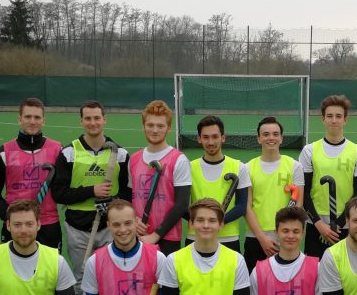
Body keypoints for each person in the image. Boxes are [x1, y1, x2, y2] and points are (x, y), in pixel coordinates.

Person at [51, 100, 130, 295]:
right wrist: (92, 191)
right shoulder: (69, 153)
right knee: (81, 282)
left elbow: (128, 194)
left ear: (104, 119)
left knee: (110, 280)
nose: (93, 122)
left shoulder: (120, 153)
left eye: (97, 118)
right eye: (88, 118)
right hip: (77, 228)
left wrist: (112, 200)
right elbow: (59, 193)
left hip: (109, 228)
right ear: (81, 121)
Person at [0, 97, 64, 249]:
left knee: (50, 265)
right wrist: (8, 214)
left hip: (48, 224)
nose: (32, 121)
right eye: (28, 117)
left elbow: (63, 187)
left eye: (37, 117)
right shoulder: (4, 152)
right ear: (20, 119)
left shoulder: (57, 149)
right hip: (16, 225)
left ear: (44, 120)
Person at [299, 94, 357, 259]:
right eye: (329, 116)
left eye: (338, 116)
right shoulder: (309, 151)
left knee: (345, 270)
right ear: (323, 119)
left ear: (345, 119)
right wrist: (318, 223)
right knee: (316, 271)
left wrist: (340, 223)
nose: (334, 120)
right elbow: (304, 191)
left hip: (346, 224)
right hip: (316, 225)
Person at [130, 99, 191, 256]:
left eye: (160, 126)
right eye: (150, 125)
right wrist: (134, 220)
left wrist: (156, 235)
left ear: (168, 128)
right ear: (143, 126)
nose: (155, 130)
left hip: (167, 238)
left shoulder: (178, 159)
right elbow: (128, 197)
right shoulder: (134, 159)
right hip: (136, 235)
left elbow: (181, 204)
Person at [243, 116, 304, 271]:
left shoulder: (295, 166)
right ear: (259, 139)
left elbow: (298, 205)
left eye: (275, 134)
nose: (271, 138)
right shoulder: (247, 168)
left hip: (284, 237)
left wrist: (284, 234)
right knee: (255, 282)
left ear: (281, 138)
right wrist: (262, 238)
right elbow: (247, 207)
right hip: (255, 237)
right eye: (266, 134)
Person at [186, 115, 250, 252]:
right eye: (206, 137)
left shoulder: (239, 167)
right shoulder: (189, 168)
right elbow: (182, 205)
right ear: (199, 139)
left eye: (215, 137)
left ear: (223, 138)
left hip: (228, 238)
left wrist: (219, 221)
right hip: (195, 237)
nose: (210, 142)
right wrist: (202, 223)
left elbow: (242, 205)